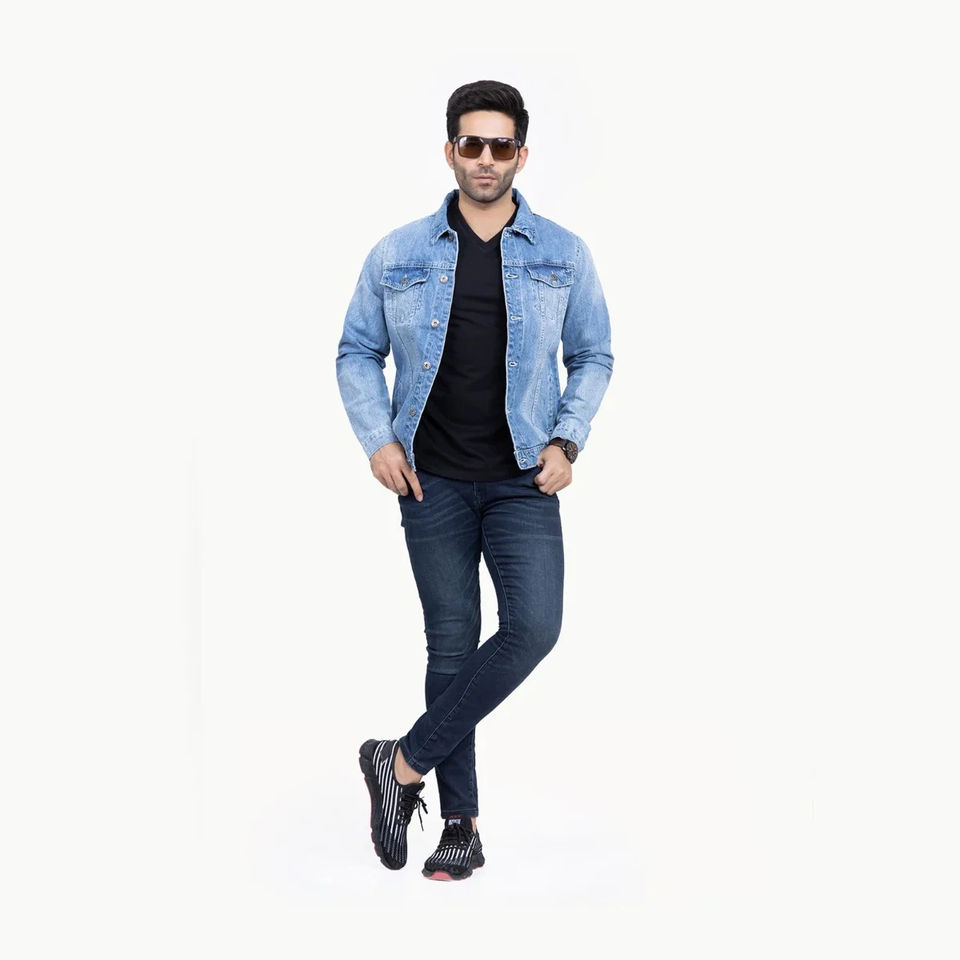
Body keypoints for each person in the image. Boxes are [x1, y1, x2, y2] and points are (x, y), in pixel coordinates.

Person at [336, 80, 614, 881]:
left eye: (501, 145)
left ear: (521, 154)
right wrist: (378, 440)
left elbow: (593, 354)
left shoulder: (563, 252)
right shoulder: (398, 253)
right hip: (431, 482)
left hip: (524, 479)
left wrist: (567, 438)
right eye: (472, 143)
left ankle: (399, 763)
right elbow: (357, 350)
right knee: (452, 644)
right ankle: (461, 825)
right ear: (450, 150)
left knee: (534, 627)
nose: (485, 158)